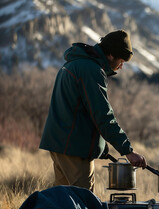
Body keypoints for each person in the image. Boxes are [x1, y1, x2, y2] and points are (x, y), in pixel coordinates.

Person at [39, 30, 147, 192]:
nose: (122, 66)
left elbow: (80, 111)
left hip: (61, 144)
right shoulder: (91, 70)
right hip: (74, 148)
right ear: (110, 55)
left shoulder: (76, 63)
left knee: (63, 200)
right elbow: (102, 115)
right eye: (122, 60)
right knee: (83, 199)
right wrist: (127, 151)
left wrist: (100, 147)